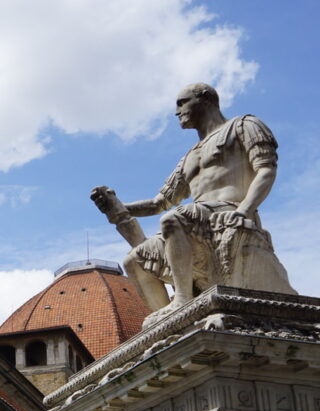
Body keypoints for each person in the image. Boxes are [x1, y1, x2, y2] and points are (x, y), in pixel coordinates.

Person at [91, 82, 295, 327]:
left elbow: (266, 169)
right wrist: (118, 207)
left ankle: (183, 299)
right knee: (133, 260)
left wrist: (244, 210)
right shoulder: (189, 156)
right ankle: (170, 323)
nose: (177, 111)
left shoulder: (243, 126)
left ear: (206, 99)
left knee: (173, 219)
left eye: (182, 102)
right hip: (196, 217)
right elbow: (159, 202)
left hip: (229, 209)